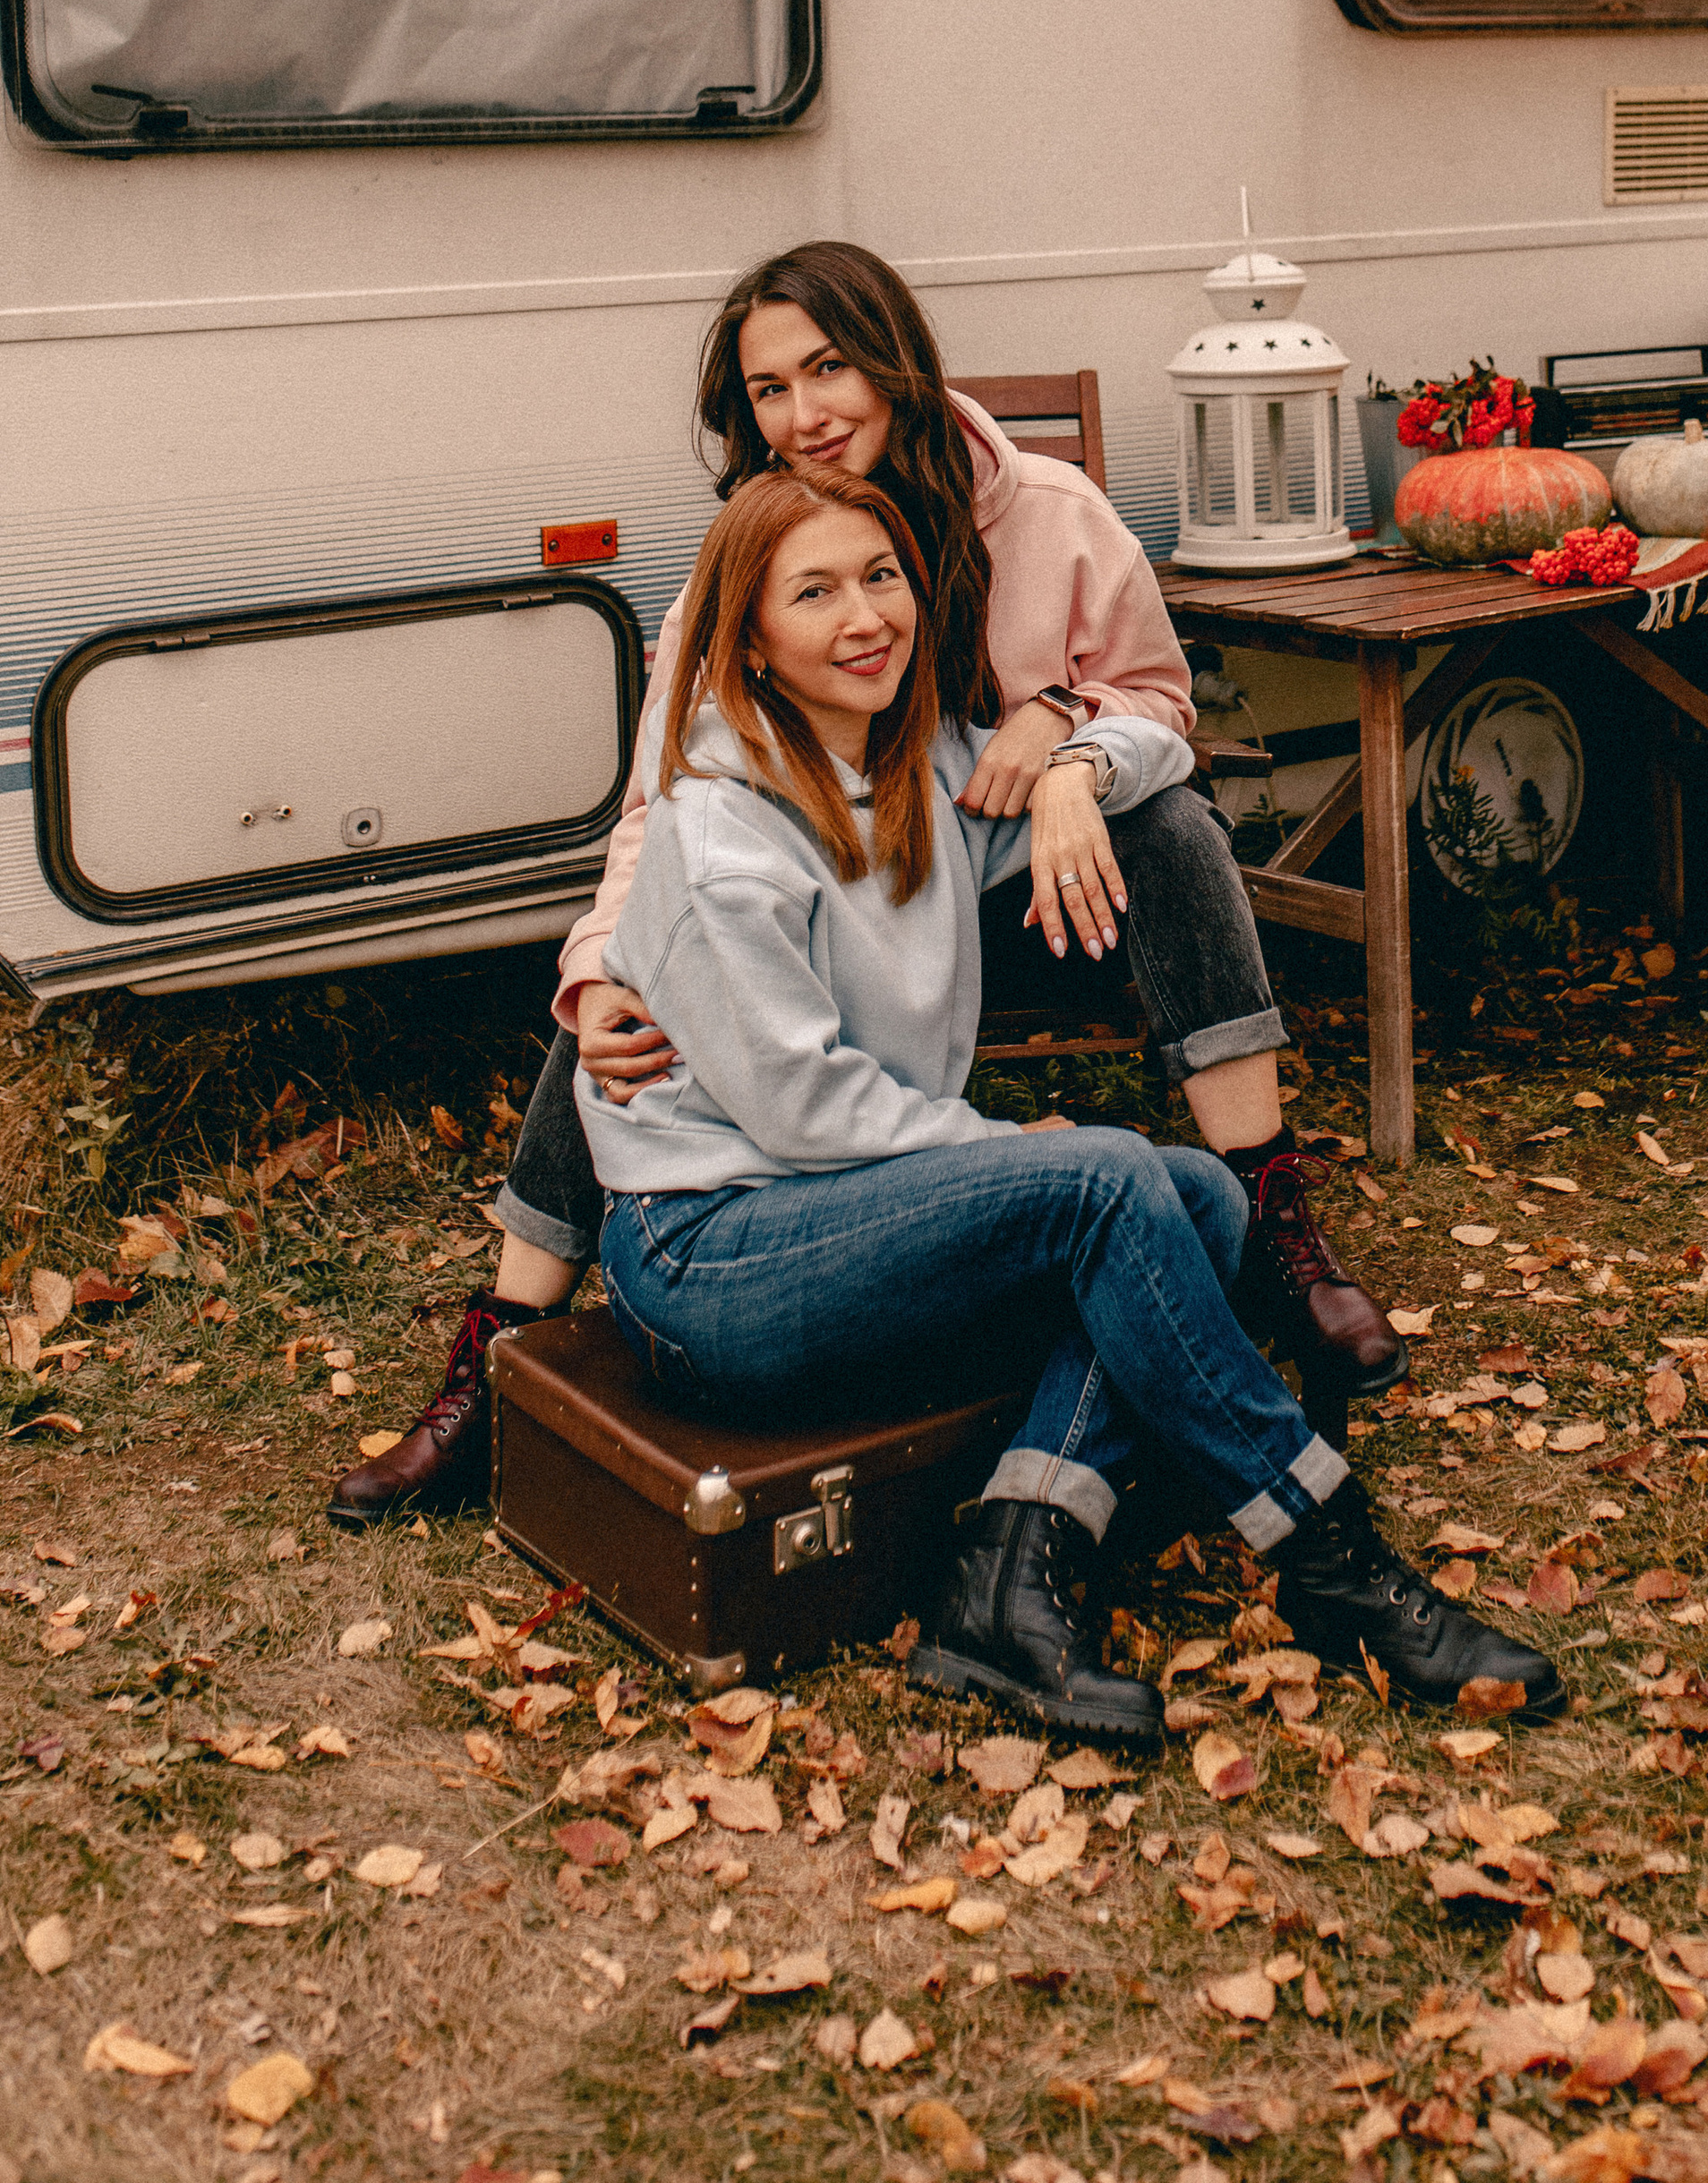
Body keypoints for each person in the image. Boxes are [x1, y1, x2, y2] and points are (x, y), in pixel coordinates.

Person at [329, 243, 1400, 1531]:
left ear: (894, 360)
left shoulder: (1050, 513)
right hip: (827, 916)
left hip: (1026, 893)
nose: (805, 413)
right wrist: (601, 965)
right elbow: (664, 804)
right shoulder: (749, 553)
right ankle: (496, 1353)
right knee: (632, 987)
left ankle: (1272, 1219)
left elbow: (1161, 703)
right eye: (769, 389)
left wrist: (1066, 736)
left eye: (828, 368)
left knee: (1170, 823)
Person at [576, 456, 1562, 1737]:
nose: (865, 617)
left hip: (840, 1206)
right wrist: (1011, 1145)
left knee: (1201, 1196)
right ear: (750, 640)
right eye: (814, 593)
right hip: (709, 1257)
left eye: (882, 577)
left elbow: (1163, 741)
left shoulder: (913, 766)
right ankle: (1329, 1554)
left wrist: (1063, 764)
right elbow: (807, 1112)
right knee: (1103, 1181)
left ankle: (1013, 1564)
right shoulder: (719, 841)